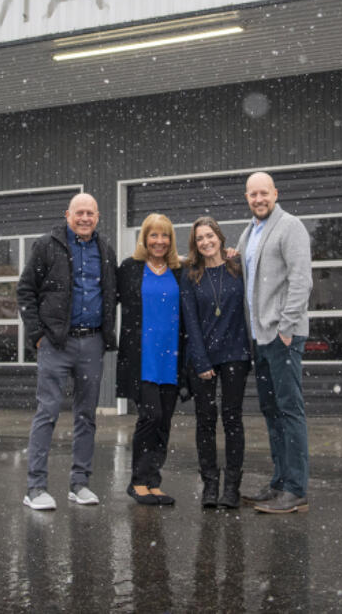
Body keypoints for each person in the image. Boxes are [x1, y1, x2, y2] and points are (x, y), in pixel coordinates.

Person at [17, 192, 118, 511]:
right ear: (68, 215)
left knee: (87, 415)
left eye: (91, 213)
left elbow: (113, 292)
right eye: (79, 213)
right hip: (55, 343)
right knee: (47, 412)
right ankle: (35, 487)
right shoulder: (47, 245)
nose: (85, 218)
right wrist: (37, 335)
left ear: (98, 217)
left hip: (92, 343)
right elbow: (25, 290)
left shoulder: (105, 250)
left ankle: (80, 483)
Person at [237, 171, 313, 514]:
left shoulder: (290, 226)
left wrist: (286, 327)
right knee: (271, 411)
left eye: (263, 193)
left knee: (289, 410)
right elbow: (241, 269)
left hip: (282, 335)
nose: (258, 199)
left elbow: (301, 280)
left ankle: (295, 489)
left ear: (275, 194)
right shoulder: (250, 231)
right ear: (247, 198)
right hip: (259, 337)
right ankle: (279, 482)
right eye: (253, 194)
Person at [117, 213, 189, 505]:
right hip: (142, 358)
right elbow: (107, 299)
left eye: (165, 236)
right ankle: (137, 481)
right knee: (151, 416)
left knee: (164, 421)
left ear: (171, 240)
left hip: (171, 357)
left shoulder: (179, 270)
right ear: (144, 238)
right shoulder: (129, 269)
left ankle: (153, 481)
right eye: (153, 235)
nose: (159, 241)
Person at [180, 216, 251, 509]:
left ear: (220, 237)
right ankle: (210, 484)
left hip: (236, 353)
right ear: (195, 244)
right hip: (204, 355)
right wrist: (200, 358)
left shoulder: (238, 267)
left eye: (210, 236)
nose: (206, 242)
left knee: (232, 419)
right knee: (205, 421)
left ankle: (232, 487)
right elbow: (190, 321)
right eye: (199, 238)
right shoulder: (190, 274)